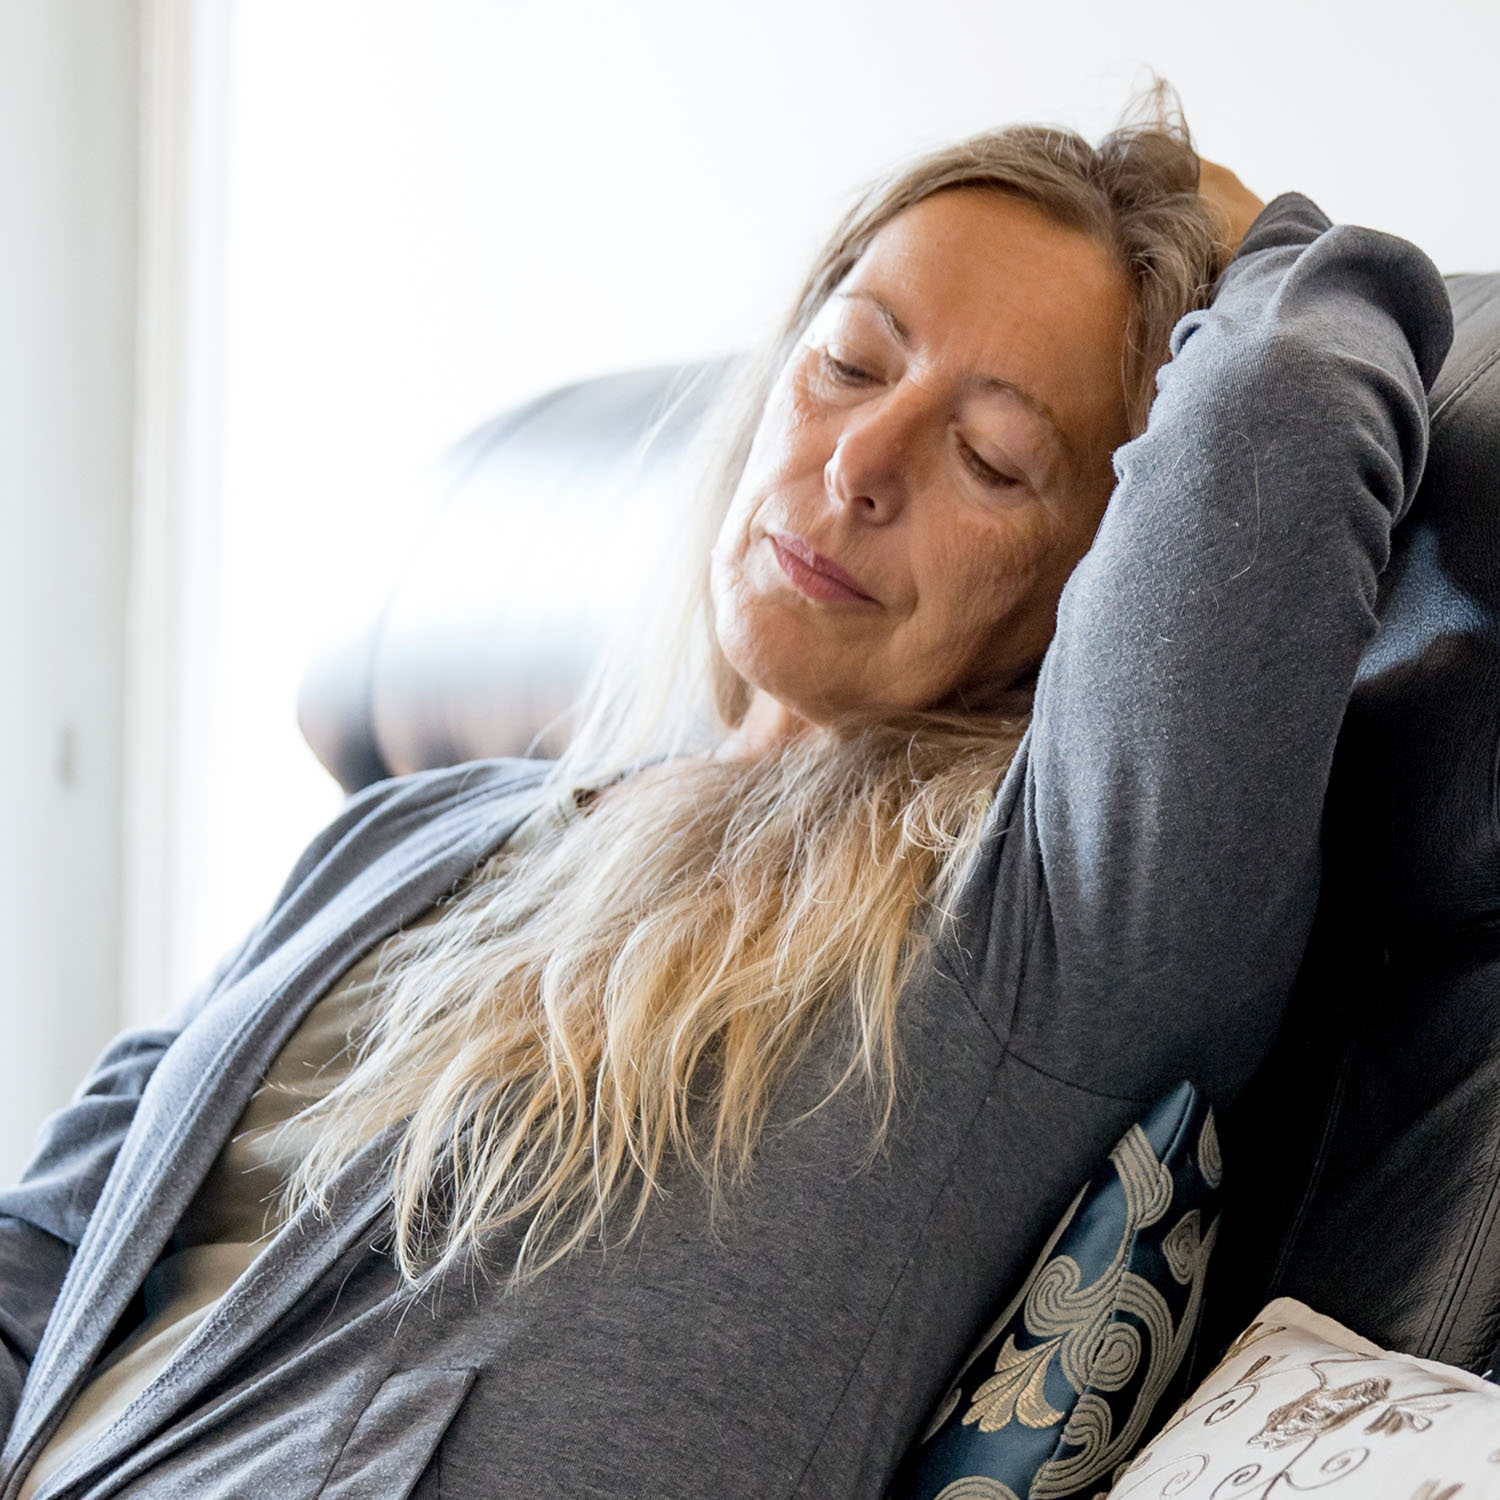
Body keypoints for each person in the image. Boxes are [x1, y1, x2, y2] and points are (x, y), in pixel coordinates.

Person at [0, 88, 1452, 1500]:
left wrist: (1230, 223)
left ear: (1087, 589)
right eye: (852, 363)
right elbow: (46, 1255)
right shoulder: (406, 835)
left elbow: (1284, 406)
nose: (861, 465)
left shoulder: (1043, 936)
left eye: (993, 459)